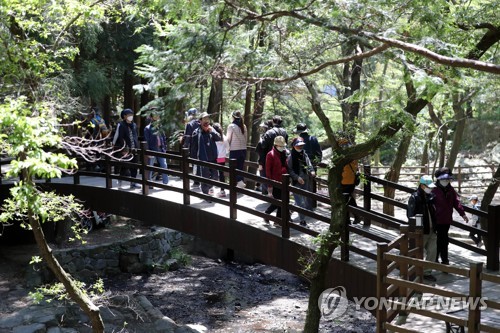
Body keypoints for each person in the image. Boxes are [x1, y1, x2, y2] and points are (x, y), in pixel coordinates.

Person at [432, 167, 469, 265]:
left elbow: (456, 202)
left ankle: (444, 260)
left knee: (444, 240)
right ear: (439, 179)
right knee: (436, 240)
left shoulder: (450, 189)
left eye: (448, 179)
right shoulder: (432, 189)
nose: (446, 181)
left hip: (446, 220)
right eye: (444, 179)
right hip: (435, 220)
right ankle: (435, 259)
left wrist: (462, 213)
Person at [407, 175, 438, 281]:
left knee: (433, 252)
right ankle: (413, 271)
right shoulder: (414, 197)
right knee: (417, 252)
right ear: (422, 185)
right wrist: (417, 229)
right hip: (421, 230)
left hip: (432, 229)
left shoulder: (431, 197)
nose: (431, 188)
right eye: (428, 186)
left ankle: (427, 272)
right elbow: (411, 215)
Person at [190, 112, 221, 198]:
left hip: (213, 158)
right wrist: (193, 160)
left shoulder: (211, 130)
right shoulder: (196, 133)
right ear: (200, 121)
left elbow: (219, 138)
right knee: (204, 178)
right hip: (203, 159)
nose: (206, 121)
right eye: (204, 119)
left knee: (215, 177)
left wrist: (212, 132)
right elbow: (193, 148)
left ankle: (209, 188)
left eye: (207, 119)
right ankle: (206, 195)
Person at [287, 137, 315, 226]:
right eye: (298, 146)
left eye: (301, 146)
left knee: (302, 200)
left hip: (306, 180)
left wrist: (312, 170)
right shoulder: (291, 156)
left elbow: (309, 164)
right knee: (301, 203)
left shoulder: (304, 154)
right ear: (294, 146)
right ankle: (302, 221)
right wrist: (297, 177)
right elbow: (289, 170)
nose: (300, 147)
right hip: (296, 182)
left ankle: (289, 211)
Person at [293, 123, 322, 209]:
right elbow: (319, 153)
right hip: (312, 166)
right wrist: (316, 163)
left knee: (300, 187)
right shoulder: (313, 139)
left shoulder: (297, 140)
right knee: (311, 187)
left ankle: (301, 207)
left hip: (299, 167)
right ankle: (311, 206)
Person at [112, 108, 140, 189]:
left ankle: (133, 182)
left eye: (132, 115)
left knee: (135, 166)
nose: (131, 117)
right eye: (129, 115)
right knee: (125, 166)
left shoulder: (134, 125)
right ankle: (120, 181)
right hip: (126, 148)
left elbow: (136, 136)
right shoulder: (121, 125)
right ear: (124, 116)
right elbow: (119, 136)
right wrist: (120, 147)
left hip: (134, 148)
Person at [264, 136, 288, 226]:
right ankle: (267, 214)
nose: (282, 147)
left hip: (284, 180)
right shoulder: (270, 154)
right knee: (278, 201)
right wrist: (270, 185)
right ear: (276, 145)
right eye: (281, 146)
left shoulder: (284, 153)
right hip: (275, 181)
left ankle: (277, 220)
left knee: (283, 200)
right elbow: (268, 170)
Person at [339, 137, 361, 224]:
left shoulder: (345, 155)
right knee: (349, 199)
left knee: (346, 200)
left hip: (345, 180)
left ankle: (349, 219)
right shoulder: (354, 154)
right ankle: (353, 217)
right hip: (348, 180)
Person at [144, 113, 169, 187]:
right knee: (150, 166)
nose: (157, 117)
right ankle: (149, 183)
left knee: (164, 165)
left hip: (160, 148)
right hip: (152, 149)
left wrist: (164, 147)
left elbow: (163, 138)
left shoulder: (160, 127)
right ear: (151, 118)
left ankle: (166, 183)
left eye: (158, 115)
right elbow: (146, 140)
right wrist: (147, 151)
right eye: (155, 116)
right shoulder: (147, 128)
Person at [226, 110, 247, 188]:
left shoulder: (231, 126)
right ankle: (239, 184)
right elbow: (246, 139)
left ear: (233, 117)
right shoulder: (244, 126)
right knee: (240, 167)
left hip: (234, 150)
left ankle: (237, 183)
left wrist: (227, 149)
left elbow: (228, 139)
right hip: (243, 150)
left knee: (233, 168)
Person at [182, 108, 201, 188]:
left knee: (194, 163)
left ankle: (196, 181)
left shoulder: (190, 124)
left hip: (193, 147)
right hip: (201, 146)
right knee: (200, 163)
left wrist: (185, 146)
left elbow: (187, 137)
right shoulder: (200, 123)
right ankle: (201, 179)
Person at [255, 119, 274, 195]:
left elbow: (261, 151)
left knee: (264, 178)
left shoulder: (265, 137)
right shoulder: (272, 135)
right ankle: (269, 194)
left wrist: (260, 163)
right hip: (270, 160)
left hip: (264, 161)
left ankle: (271, 194)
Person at [213, 123, 228, 197]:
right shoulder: (224, 137)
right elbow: (228, 148)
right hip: (221, 157)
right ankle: (222, 191)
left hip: (214, 157)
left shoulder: (213, 137)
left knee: (212, 171)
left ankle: (211, 189)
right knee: (221, 174)